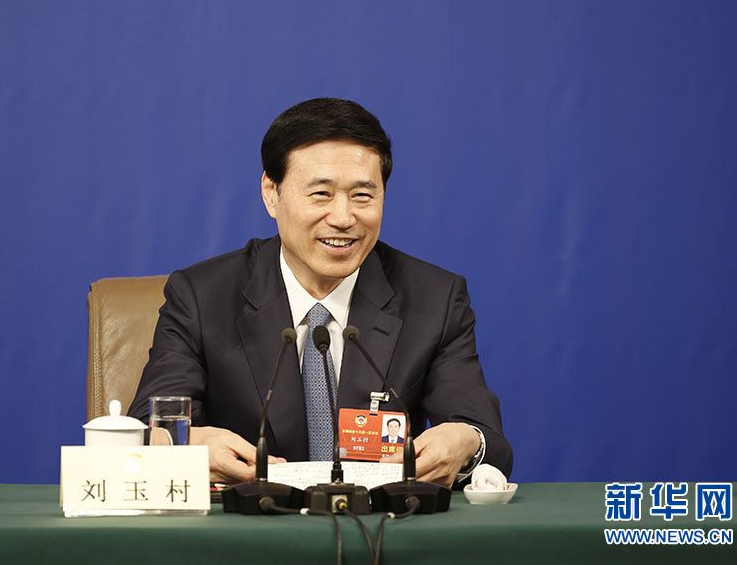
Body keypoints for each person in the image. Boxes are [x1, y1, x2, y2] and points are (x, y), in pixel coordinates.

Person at [128, 97, 512, 488]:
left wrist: (467, 443)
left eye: (362, 196)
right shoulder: (202, 296)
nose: (343, 218)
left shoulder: (435, 298)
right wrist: (185, 447)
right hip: (250, 519)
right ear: (271, 192)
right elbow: (142, 430)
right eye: (321, 194)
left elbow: (487, 441)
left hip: (379, 522)